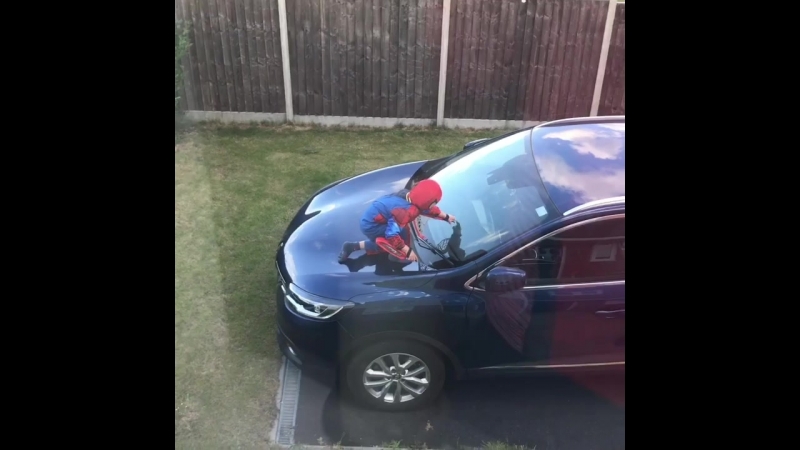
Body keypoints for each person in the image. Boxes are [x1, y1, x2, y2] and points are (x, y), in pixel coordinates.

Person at [338, 179, 457, 264]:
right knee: (390, 242)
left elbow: (425, 209)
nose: (434, 205)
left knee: (403, 231)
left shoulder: (410, 197)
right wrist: (407, 251)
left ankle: (351, 246)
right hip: (372, 225)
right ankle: (396, 256)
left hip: (374, 218)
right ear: (428, 203)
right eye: (434, 203)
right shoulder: (404, 211)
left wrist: (445, 216)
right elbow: (392, 234)